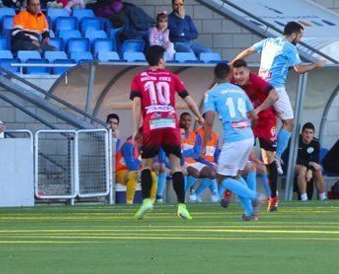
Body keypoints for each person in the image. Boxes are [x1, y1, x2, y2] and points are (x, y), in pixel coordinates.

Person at [231, 22, 326, 168]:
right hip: (275, 88)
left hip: (260, 85)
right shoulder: (289, 47)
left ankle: (246, 148)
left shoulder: (268, 41)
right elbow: (299, 69)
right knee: (289, 123)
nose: (299, 40)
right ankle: (277, 156)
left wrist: (232, 64)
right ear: (294, 35)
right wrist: (316, 65)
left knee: (262, 121)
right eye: (300, 36)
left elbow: (248, 51)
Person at [130, 45, 204, 221]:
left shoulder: (139, 78)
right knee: (176, 166)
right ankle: (181, 206)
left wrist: (135, 129)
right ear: (162, 59)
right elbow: (189, 100)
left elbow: (137, 104)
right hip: (170, 123)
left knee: (147, 165)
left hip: (152, 123)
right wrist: (198, 117)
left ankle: (148, 200)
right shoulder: (171, 77)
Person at [203, 62, 263, 221]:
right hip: (248, 136)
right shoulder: (239, 91)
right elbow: (254, 116)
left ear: (215, 76)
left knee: (222, 178)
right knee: (235, 176)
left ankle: (254, 196)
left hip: (234, 139)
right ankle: (249, 214)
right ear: (230, 75)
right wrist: (248, 132)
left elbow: (209, 121)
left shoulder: (212, 93)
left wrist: (204, 145)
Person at [231, 60, 281, 211]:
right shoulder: (233, 84)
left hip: (266, 121)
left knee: (268, 160)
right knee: (240, 155)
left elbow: (274, 96)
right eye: (236, 74)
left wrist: (257, 110)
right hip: (249, 123)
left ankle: (273, 197)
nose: (239, 77)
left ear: (247, 71)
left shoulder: (256, 81)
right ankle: (235, 189)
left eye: (241, 73)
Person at [108, 114, 143, 204]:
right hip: (111, 173)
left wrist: (116, 139)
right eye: (110, 122)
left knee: (151, 175)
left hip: (119, 172)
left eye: (115, 123)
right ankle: (129, 203)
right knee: (134, 174)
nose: (112, 125)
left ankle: (153, 201)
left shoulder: (120, 141)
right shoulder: (101, 136)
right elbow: (112, 155)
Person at [288, 123, 326, 201]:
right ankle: (304, 199)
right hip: (293, 164)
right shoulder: (294, 140)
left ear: (313, 134)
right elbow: (294, 158)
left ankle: (323, 197)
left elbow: (316, 160)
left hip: (308, 166)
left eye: (310, 133)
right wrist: (310, 164)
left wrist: (311, 170)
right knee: (303, 169)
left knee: (318, 171)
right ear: (302, 133)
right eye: (306, 132)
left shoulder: (316, 142)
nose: (308, 135)